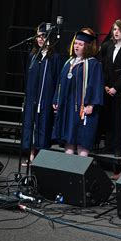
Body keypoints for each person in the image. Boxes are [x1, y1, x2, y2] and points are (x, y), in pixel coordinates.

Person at [52, 29, 104, 156]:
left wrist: (91, 104)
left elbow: (96, 84)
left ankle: (80, 169)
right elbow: (60, 82)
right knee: (68, 137)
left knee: (81, 138)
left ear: (87, 46)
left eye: (81, 44)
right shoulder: (69, 62)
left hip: (83, 108)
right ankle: (68, 170)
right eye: (76, 43)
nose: (77, 46)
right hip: (68, 108)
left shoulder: (93, 64)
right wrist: (57, 99)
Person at [21, 23, 63, 163]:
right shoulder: (33, 56)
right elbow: (28, 78)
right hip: (33, 97)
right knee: (31, 125)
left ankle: (39, 156)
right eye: (38, 36)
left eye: (43, 36)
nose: (40, 39)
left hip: (45, 98)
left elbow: (57, 79)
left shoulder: (54, 57)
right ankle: (31, 154)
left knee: (43, 126)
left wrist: (55, 99)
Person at [100, 20, 121, 157]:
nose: (116, 32)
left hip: (120, 90)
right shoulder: (108, 47)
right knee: (108, 118)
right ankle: (108, 146)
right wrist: (106, 85)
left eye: (119, 30)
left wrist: (115, 87)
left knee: (118, 119)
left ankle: (118, 148)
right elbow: (105, 67)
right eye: (114, 29)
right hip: (107, 88)